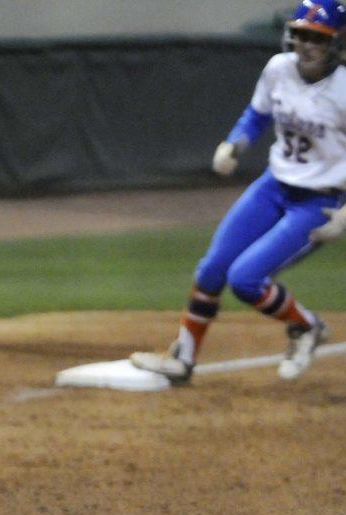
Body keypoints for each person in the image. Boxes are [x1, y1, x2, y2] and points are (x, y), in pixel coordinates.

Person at [132, 0, 344, 384]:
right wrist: (235, 142)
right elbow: (258, 113)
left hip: (318, 202)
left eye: (318, 37)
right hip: (273, 186)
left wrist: (344, 216)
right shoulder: (279, 69)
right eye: (300, 34)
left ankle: (305, 327)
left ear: (337, 42)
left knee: (246, 280)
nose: (306, 44)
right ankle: (183, 358)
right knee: (212, 269)